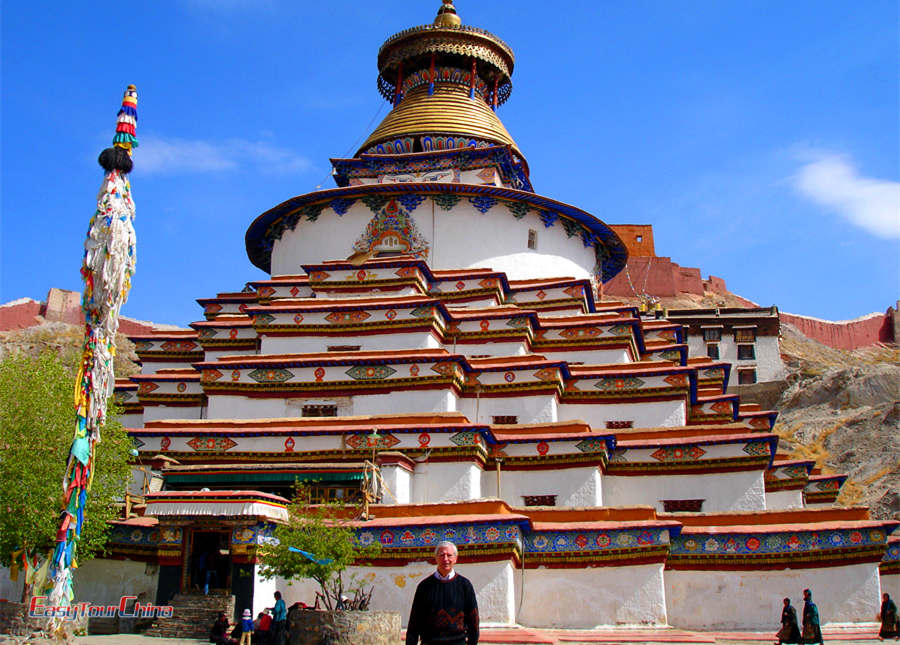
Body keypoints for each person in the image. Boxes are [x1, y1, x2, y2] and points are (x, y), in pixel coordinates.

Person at [406, 541, 479, 645]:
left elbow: (473, 621)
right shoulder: (424, 587)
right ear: (436, 558)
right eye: (441, 555)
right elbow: (414, 622)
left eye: (449, 555)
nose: (445, 559)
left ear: (455, 559)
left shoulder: (465, 586)